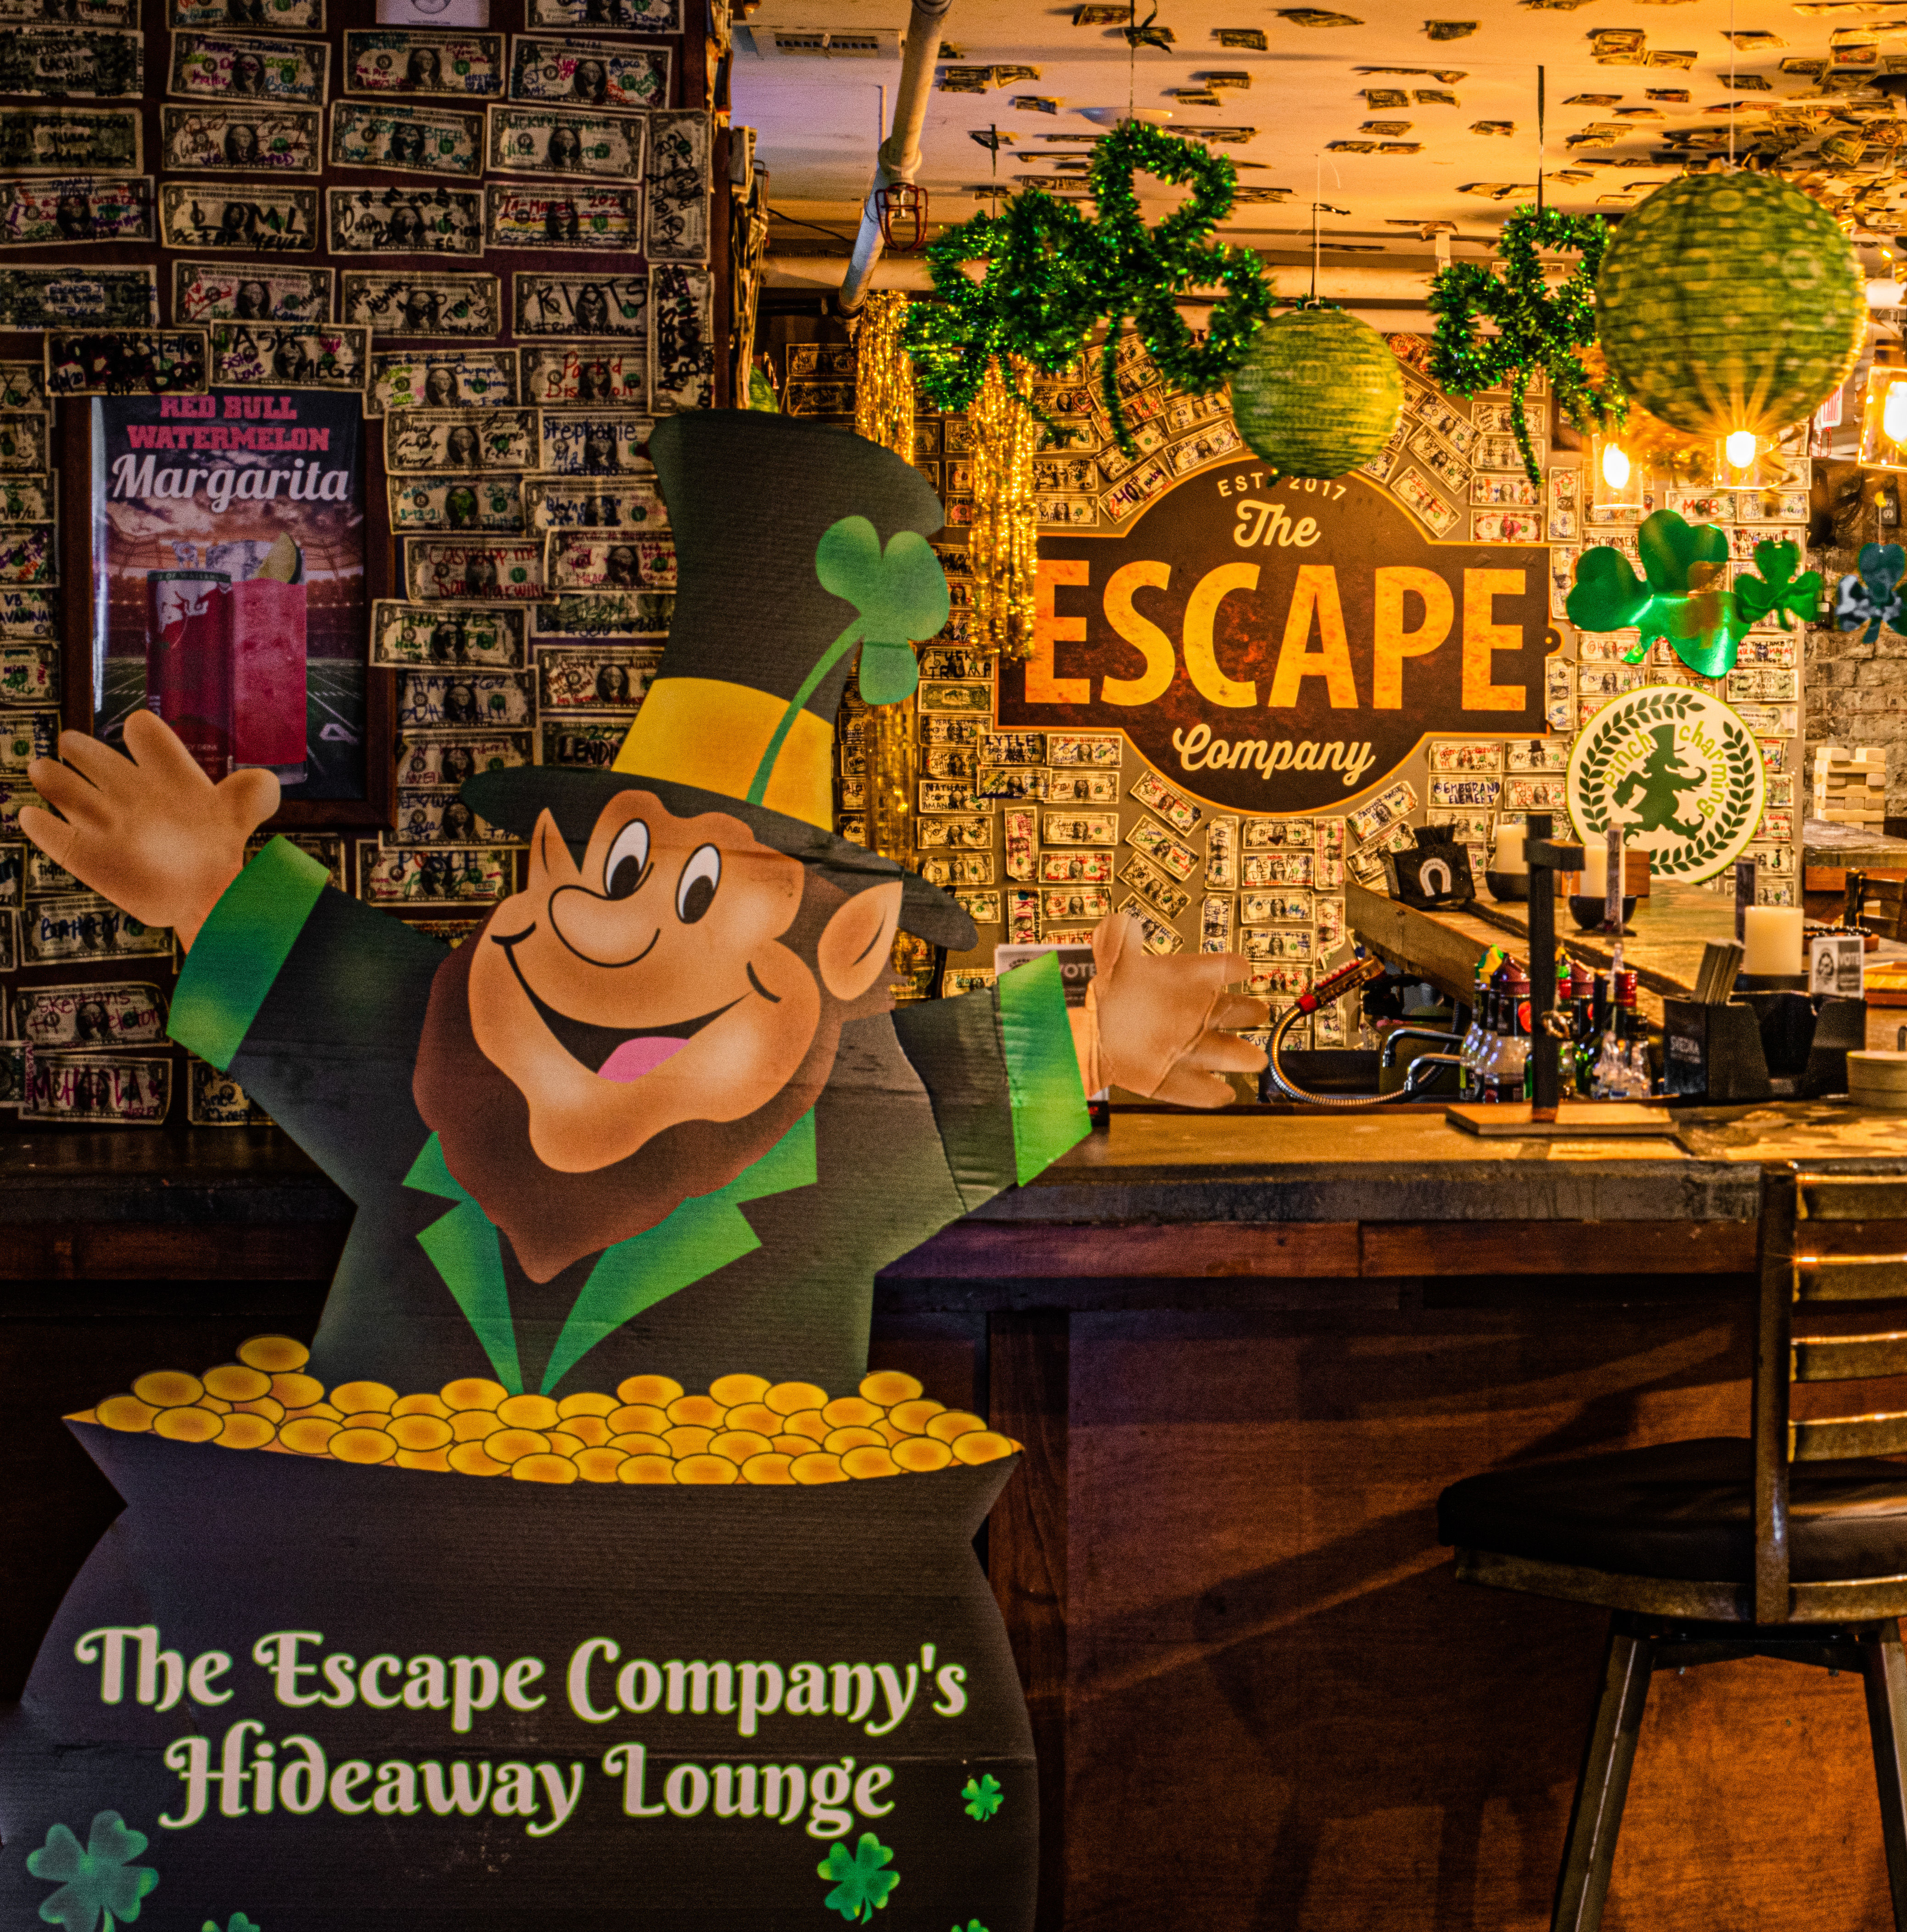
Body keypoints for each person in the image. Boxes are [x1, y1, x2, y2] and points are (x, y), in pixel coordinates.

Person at [25, 414, 1263, 1396]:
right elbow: (308, 976)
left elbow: (979, 1078)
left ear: (851, 944)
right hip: (389, 1623)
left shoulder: (857, 1121)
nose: (604, 930)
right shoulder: (424, 1053)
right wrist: (200, 882)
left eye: (707, 893)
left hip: (723, 1640)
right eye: (610, 869)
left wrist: (1107, 1032)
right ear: (548, 854)